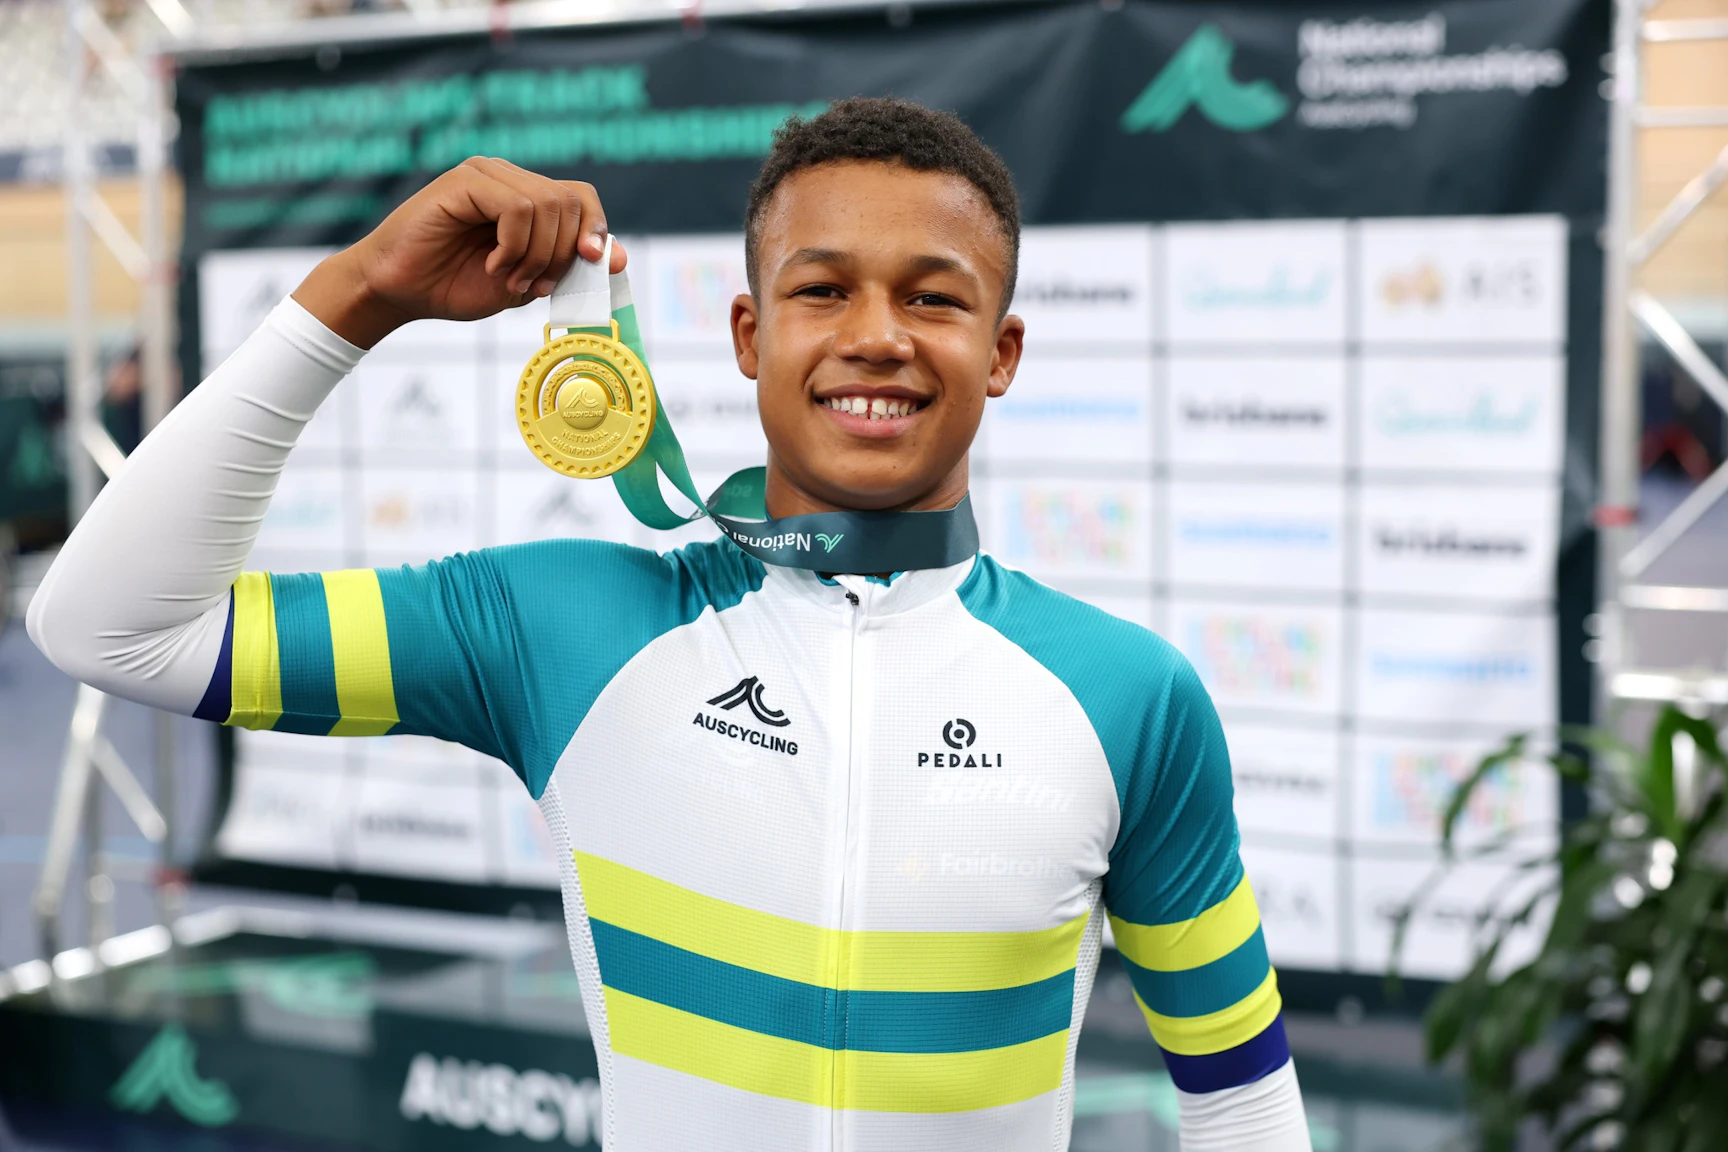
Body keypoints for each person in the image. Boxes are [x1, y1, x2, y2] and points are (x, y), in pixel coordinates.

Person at [29, 97, 1311, 1151]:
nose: (877, 338)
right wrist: (360, 296)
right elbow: (110, 627)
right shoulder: (563, 627)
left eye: (934, 298)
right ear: (750, 337)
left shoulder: (1127, 695)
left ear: (1005, 350)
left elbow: (1241, 1097)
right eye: (823, 292)